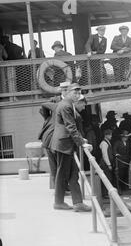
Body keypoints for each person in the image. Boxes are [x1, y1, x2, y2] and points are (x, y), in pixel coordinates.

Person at [50, 83, 91, 212]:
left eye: (79, 93)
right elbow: (71, 127)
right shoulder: (66, 105)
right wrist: (82, 143)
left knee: (72, 173)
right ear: (68, 92)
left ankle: (77, 203)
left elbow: (71, 128)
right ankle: (60, 202)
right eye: (75, 93)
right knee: (63, 174)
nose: (77, 95)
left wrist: (80, 139)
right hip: (63, 144)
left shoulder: (68, 104)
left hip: (65, 144)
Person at [38, 82, 70, 188]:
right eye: (64, 89)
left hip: (60, 136)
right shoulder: (55, 100)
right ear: (61, 90)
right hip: (53, 137)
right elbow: (43, 107)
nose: (65, 91)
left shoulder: (71, 101)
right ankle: (59, 189)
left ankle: (62, 187)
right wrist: (47, 118)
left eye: (67, 89)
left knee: (62, 164)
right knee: (55, 165)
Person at [99, 129, 115, 202]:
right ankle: (105, 194)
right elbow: (105, 155)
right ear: (106, 135)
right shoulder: (104, 143)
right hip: (105, 164)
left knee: (109, 177)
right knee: (107, 178)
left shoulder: (107, 142)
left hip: (107, 163)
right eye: (110, 135)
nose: (111, 136)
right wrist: (108, 164)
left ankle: (106, 193)